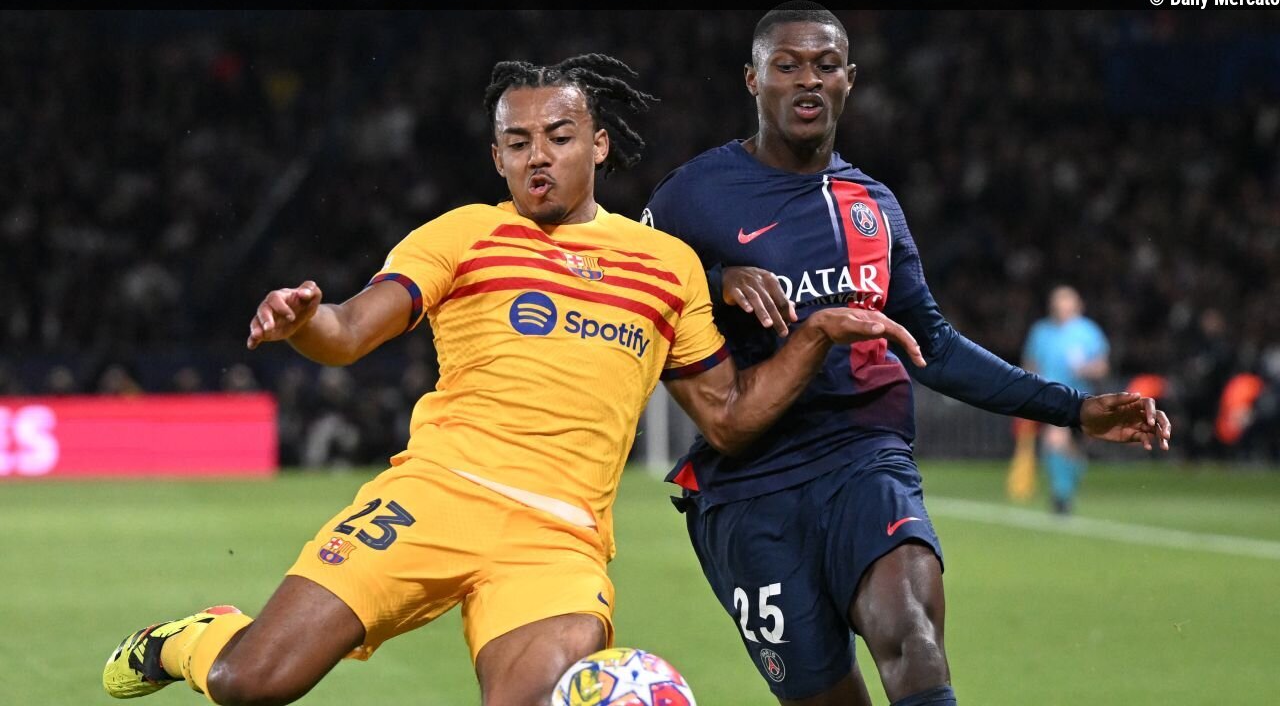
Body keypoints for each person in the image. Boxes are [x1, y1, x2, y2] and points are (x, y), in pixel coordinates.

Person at [101, 53, 925, 706]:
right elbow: (348, 332)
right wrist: (303, 320)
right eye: (519, 142)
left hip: (556, 542)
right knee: (252, 681)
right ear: (496, 155)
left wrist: (816, 332)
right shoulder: (465, 235)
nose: (540, 157)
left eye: (560, 136)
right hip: (435, 496)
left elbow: (728, 418)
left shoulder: (666, 266)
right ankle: (194, 637)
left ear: (598, 145)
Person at [642, 3, 1173, 706]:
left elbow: (935, 346)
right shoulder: (690, 197)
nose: (808, 80)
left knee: (913, 637)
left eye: (826, 65)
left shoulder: (873, 207)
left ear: (850, 79)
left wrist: (1075, 409)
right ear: (752, 79)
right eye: (787, 65)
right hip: (749, 489)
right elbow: (631, 295)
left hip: (864, 455)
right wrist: (714, 282)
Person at [1022, 285, 1110, 514]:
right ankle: (1061, 496)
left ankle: (1066, 488)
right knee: (1054, 443)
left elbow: (1102, 367)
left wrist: (1086, 369)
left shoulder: (1088, 331)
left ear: (1077, 305)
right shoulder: (1041, 331)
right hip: (1050, 398)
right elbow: (1030, 364)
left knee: (1072, 451)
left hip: (1081, 399)